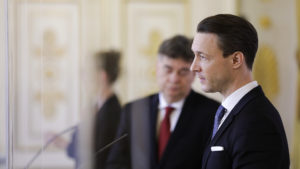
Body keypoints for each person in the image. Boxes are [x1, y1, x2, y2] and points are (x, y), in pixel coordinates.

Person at [190, 14, 290, 169]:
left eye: (202, 57)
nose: (193, 67)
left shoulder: (257, 122)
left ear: (236, 60)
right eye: (194, 55)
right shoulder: (231, 112)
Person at [106, 35, 219, 169]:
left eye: (183, 71)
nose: (174, 79)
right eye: (168, 69)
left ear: (194, 73)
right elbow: (116, 163)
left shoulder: (212, 113)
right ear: (157, 68)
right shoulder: (134, 110)